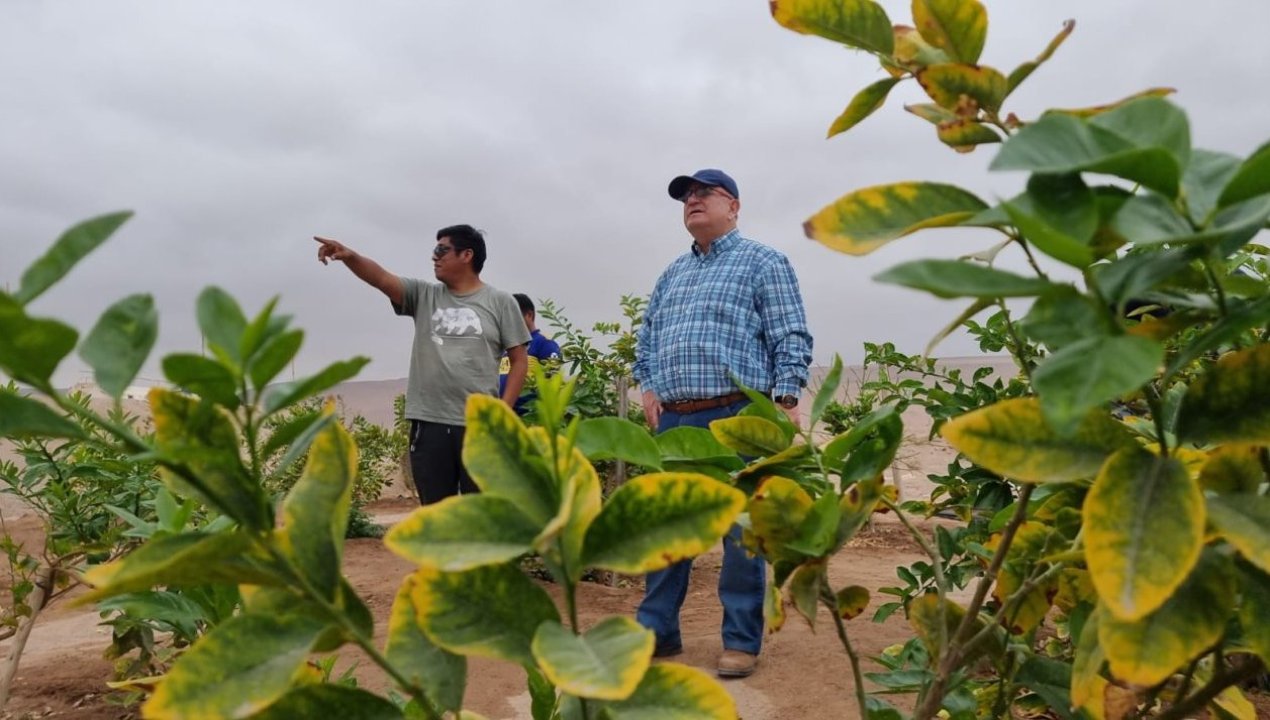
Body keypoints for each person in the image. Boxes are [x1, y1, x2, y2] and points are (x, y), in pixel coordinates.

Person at [632, 168, 813, 679]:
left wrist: (784, 398)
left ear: (733, 206)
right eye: (685, 197)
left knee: (741, 535)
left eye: (703, 193)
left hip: (738, 414)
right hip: (676, 421)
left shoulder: (764, 262)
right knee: (669, 529)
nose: (691, 201)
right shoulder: (671, 274)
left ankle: (739, 640)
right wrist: (648, 386)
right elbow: (646, 341)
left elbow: (790, 333)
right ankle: (657, 632)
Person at [314, 224, 530, 504]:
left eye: (442, 250)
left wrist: (502, 410)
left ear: (467, 255)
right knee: (436, 517)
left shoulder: (500, 302)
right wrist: (350, 256)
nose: (434, 256)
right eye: (434, 250)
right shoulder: (424, 295)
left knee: (482, 516)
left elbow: (519, 361)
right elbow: (380, 278)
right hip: (430, 424)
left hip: (480, 426)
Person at [499, 293, 562, 414]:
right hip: (504, 414)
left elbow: (553, 380)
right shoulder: (506, 347)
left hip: (529, 415)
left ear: (529, 315)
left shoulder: (544, 344)